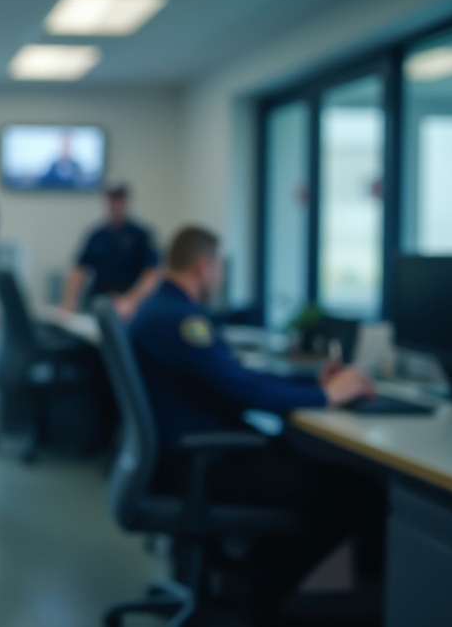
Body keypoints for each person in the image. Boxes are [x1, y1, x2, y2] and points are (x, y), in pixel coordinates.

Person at [128, 226, 384, 621]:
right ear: (203, 266)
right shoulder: (181, 320)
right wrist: (328, 396)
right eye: (219, 269)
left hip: (187, 457)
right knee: (358, 492)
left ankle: (248, 583)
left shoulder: (160, 309)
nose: (220, 278)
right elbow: (245, 389)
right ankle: (260, 588)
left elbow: (236, 377)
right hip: (199, 465)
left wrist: (312, 382)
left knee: (323, 475)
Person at [59, 183, 160, 318]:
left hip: (129, 302)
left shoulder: (141, 235)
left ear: (126, 201)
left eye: (119, 199)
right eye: (112, 199)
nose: (115, 204)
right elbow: (79, 269)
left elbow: (152, 274)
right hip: (99, 301)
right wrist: (69, 300)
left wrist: (130, 300)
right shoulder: (97, 235)